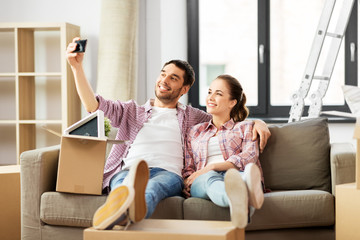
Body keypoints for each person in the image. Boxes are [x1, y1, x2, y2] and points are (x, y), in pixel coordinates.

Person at [66, 37, 271, 230]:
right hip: (130, 169)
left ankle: (120, 213)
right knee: (122, 185)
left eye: (173, 78)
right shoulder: (131, 111)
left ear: (184, 88)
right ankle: (122, 210)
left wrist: (258, 123)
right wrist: (76, 67)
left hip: (168, 174)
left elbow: (225, 120)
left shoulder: (193, 117)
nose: (164, 80)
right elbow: (93, 105)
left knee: (152, 188)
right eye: (163, 74)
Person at [183, 74, 265, 228]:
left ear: (232, 102)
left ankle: (244, 194)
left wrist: (213, 166)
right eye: (209, 92)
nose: (211, 97)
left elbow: (249, 157)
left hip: (235, 174)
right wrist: (187, 181)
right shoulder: (194, 132)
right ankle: (245, 195)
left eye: (218, 94)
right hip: (203, 179)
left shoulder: (245, 127)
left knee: (240, 177)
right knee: (210, 179)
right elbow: (189, 167)